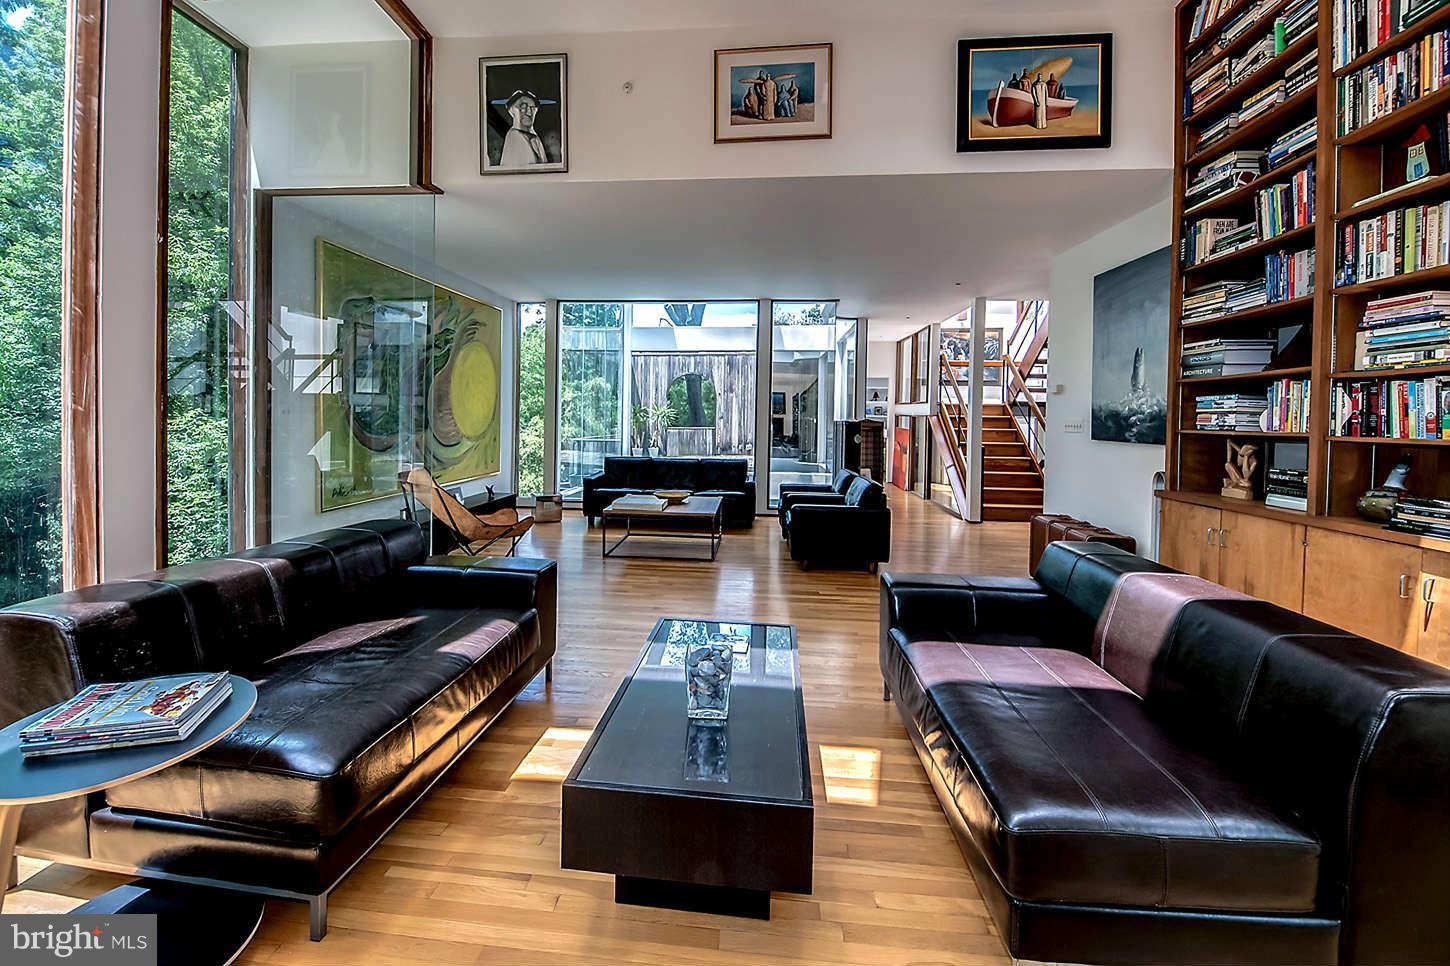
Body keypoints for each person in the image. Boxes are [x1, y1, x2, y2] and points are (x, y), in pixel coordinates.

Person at [499, 90, 549, 166]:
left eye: (532, 108)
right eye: (522, 107)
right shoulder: (515, 137)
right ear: (511, 110)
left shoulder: (535, 138)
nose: (529, 113)